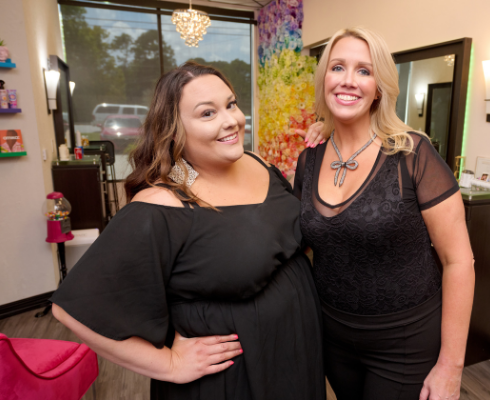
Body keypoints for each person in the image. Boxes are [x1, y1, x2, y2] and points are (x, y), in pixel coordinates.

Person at [51, 61, 326, 400]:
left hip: (295, 357)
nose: (231, 121)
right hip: (233, 380)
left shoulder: (257, 164)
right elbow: (72, 309)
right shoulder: (162, 204)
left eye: (231, 104)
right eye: (207, 114)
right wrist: (168, 364)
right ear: (175, 130)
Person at [294, 28, 475, 400]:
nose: (348, 80)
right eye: (337, 67)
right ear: (323, 79)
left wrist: (451, 367)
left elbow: (459, 261)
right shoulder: (308, 158)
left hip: (404, 343)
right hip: (332, 338)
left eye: (364, 70)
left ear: (380, 87)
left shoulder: (412, 154)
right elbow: (301, 245)